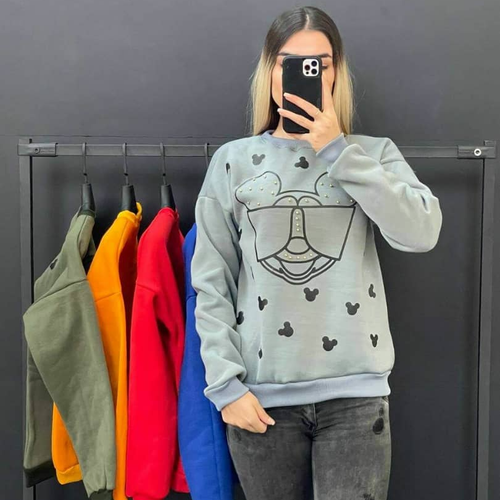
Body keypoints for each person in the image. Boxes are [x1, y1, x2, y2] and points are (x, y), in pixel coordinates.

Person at [190, 5, 443, 500]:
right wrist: (225, 387)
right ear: (270, 71)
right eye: (291, 63)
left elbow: (421, 231)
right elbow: (211, 281)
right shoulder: (233, 162)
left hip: (357, 398)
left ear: (335, 72)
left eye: (319, 64)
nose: (305, 75)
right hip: (260, 400)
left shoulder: (371, 153)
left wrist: (338, 151)